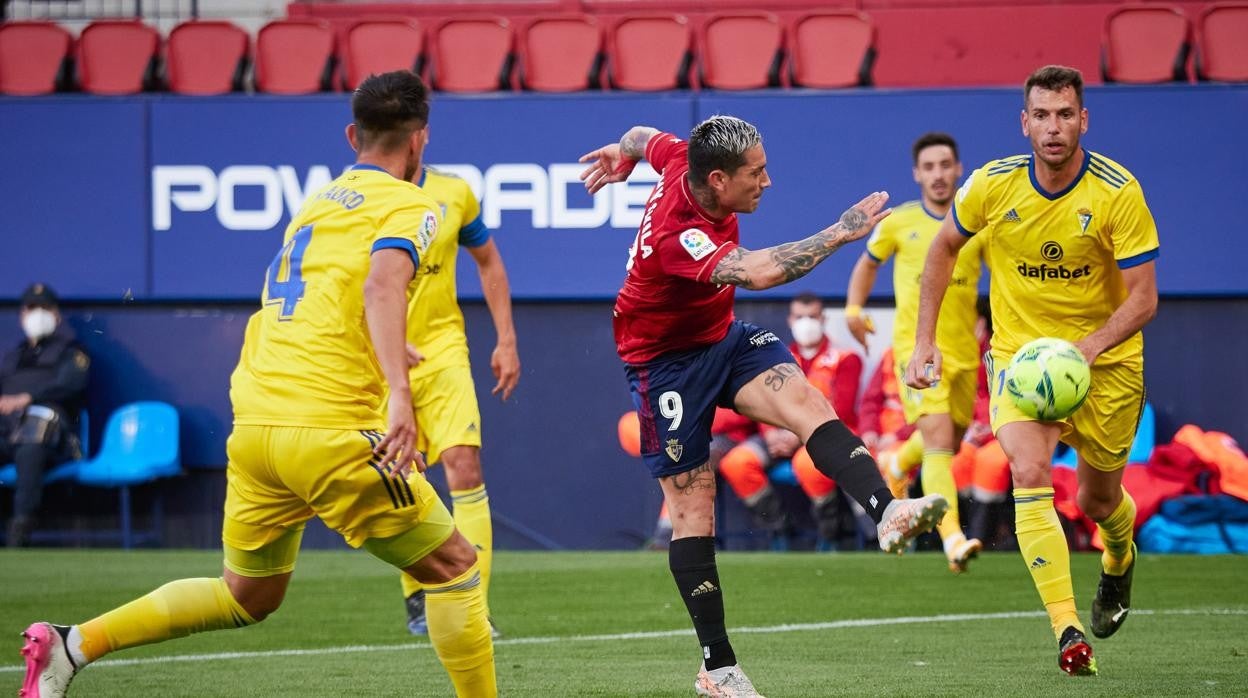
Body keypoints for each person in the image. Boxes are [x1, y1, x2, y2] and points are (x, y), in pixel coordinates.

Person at [20, 71, 497, 697]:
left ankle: (72, 646)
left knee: (246, 594)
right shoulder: (415, 203)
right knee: (456, 568)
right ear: (419, 143)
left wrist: (378, 342)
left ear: (353, 135)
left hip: (256, 428)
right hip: (330, 433)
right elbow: (382, 286)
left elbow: (316, 297)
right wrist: (401, 395)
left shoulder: (317, 203)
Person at [580, 116, 947, 696]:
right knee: (693, 509)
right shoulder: (680, 234)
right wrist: (841, 232)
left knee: (806, 400)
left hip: (719, 338)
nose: (768, 182)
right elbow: (759, 271)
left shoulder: (681, 156)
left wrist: (622, 156)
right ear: (719, 180)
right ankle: (717, 667)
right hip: (663, 365)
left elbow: (638, 134)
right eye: (757, 173)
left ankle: (886, 511)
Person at [906, 65, 1159, 677]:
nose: (1053, 127)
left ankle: (1119, 559)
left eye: (1065, 114)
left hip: (1108, 367)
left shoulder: (1117, 192)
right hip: (1020, 361)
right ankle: (1067, 629)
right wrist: (924, 342)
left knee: (1098, 503)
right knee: (1027, 468)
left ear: (1083, 120)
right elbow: (943, 248)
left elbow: (1144, 298)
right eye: (1041, 115)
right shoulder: (992, 186)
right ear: (1024, 122)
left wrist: (1089, 348)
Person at [844, 132, 985, 573]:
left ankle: (898, 465)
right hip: (917, 349)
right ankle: (954, 541)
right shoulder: (898, 223)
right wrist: (852, 308)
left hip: (965, 353)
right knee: (942, 444)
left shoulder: (977, 226)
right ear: (917, 174)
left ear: (958, 169)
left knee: (951, 438)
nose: (939, 175)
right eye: (929, 167)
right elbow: (867, 264)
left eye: (946, 165)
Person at [399, 160, 520, 638]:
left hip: (443, 350)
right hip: (382, 358)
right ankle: (416, 592)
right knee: (405, 475)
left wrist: (506, 339)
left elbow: (488, 260)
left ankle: (473, 609)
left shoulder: (455, 192)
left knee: (464, 464)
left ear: (421, 134)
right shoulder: (357, 196)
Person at [718, 292, 861, 547]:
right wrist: (769, 433)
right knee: (737, 463)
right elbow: (761, 400)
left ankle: (831, 535)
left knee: (809, 464)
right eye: (800, 316)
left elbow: (841, 408)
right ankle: (779, 530)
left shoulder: (845, 358)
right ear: (790, 320)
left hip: (819, 435)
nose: (806, 322)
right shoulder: (775, 356)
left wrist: (797, 435)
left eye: (812, 316)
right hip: (776, 435)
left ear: (823, 318)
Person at [1, 283, 89, 548]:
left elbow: (71, 385)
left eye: (44, 307)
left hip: (50, 434)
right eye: (31, 307)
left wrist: (28, 398)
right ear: (22, 314)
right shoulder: (12, 357)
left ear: (56, 314)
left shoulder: (72, 351)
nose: (38, 313)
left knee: (34, 434)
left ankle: (21, 526)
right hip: (6, 430)